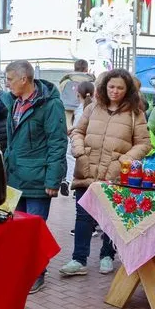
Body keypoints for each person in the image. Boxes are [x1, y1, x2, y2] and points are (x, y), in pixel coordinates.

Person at [63, 69, 151, 277]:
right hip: (87, 168)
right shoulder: (92, 108)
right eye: (111, 86)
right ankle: (78, 259)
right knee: (83, 215)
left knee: (110, 218)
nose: (115, 91)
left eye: (120, 87)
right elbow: (78, 131)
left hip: (114, 174)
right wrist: (79, 150)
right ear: (104, 87)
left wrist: (123, 161)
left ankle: (107, 256)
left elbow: (143, 143)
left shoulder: (135, 114)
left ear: (127, 90)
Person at [0, 60, 68, 293]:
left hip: (38, 179)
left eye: (9, 79)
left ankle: (38, 274)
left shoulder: (50, 105)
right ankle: (20, 270)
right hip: (14, 177)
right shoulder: (14, 101)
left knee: (35, 230)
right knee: (14, 228)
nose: (6, 84)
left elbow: (58, 143)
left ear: (23, 79)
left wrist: (53, 180)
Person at [67, 81, 95, 234]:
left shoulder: (84, 109)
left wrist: (77, 145)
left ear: (78, 93)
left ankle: (89, 228)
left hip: (83, 157)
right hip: (88, 157)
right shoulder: (89, 108)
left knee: (84, 202)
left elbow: (79, 130)